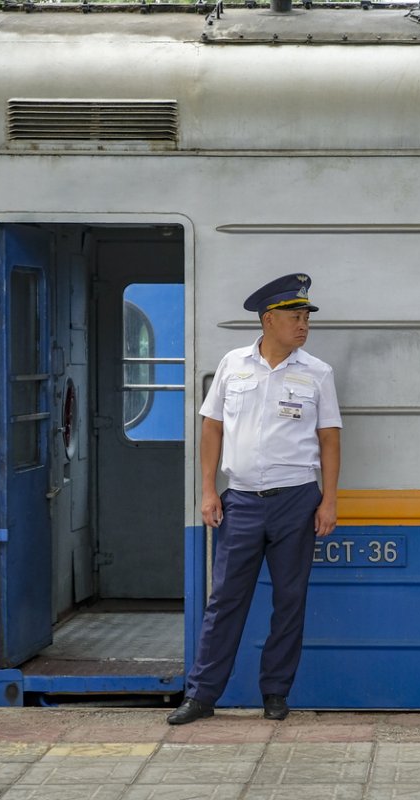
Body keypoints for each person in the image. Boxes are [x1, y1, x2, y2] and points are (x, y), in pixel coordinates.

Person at [167, 273, 341, 725]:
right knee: (225, 601)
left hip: (297, 501)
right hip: (240, 502)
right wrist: (207, 490)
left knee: (289, 601)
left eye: (306, 318)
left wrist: (329, 501)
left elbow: (330, 440)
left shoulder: (317, 373)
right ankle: (202, 695)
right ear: (268, 320)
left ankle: (276, 694)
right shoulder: (233, 365)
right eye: (294, 317)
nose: (303, 325)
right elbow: (211, 428)